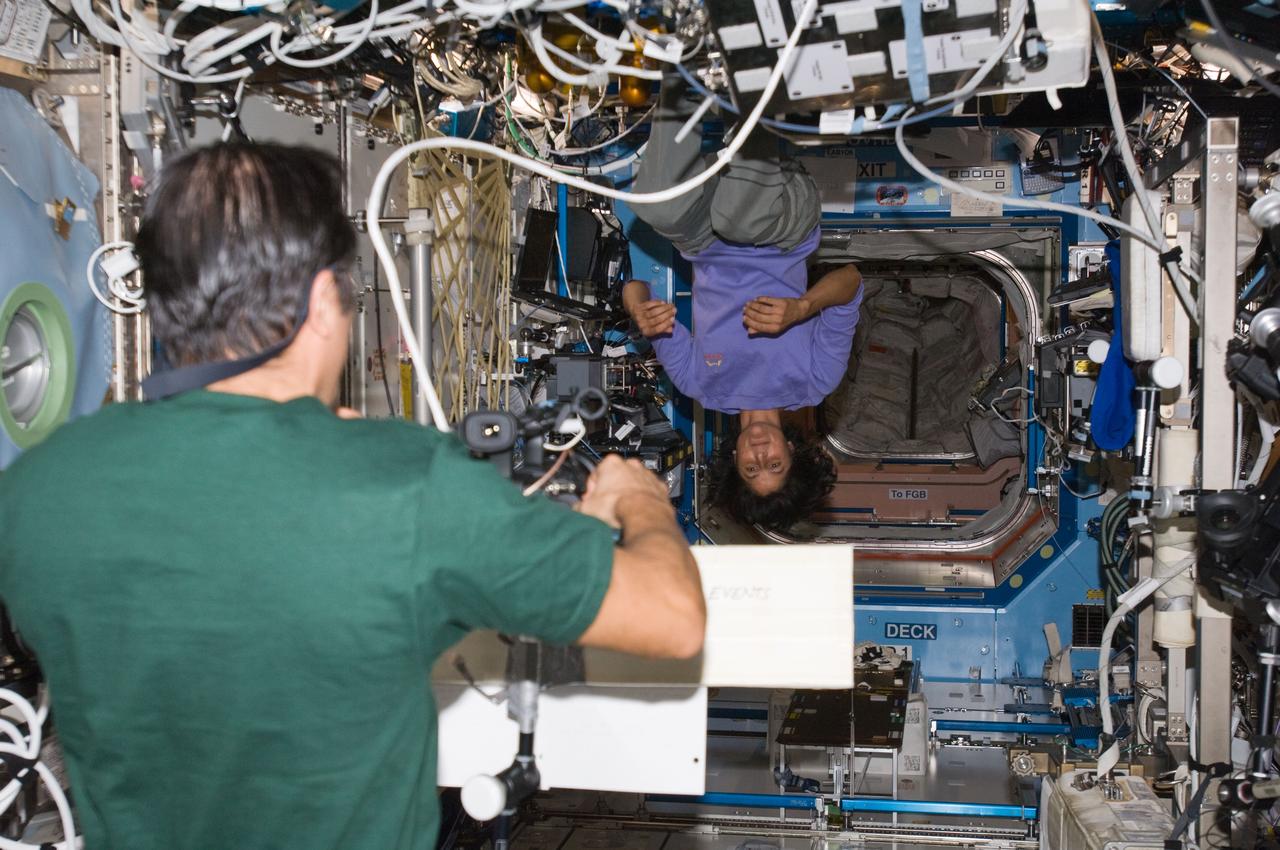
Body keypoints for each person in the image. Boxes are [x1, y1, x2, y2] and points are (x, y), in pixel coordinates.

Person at [0, 143, 705, 850]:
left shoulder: (39, 489)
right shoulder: (407, 488)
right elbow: (673, 619)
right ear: (320, 305)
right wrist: (636, 496)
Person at [623, 76, 864, 532]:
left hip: (702, 243)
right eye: (774, 465)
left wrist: (640, 311)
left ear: (734, 458)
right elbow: (850, 281)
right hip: (784, 233)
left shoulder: (701, 384)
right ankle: (759, 76)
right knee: (738, 217)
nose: (760, 455)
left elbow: (635, 288)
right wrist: (802, 308)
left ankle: (684, 72)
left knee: (655, 207)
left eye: (752, 469)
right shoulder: (814, 381)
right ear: (792, 452)